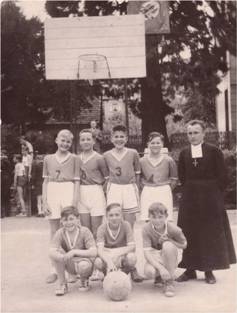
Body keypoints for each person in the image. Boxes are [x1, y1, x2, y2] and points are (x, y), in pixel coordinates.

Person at [176, 120, 236, 284]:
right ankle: (190, 270)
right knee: (189, 231)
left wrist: (213, 193)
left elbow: (223, 176)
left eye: (196, 132)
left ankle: (209, 270)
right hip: (190, 198)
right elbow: (182, 176)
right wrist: (191, 189)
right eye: (190, 133)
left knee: (209, 232)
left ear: (203, 133)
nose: (193, 136)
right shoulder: (184, 153)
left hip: (210, 198)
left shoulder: (214, 151)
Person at [42, 129, 80, 284]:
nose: (65, 143)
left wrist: (74, 202)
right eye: (62, 140)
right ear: (56, 140)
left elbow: (77, 181)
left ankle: (72, 269)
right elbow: (45, 181)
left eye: (68, 141)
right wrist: (44, 201)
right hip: (53, 190)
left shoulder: (75, 158)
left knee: (70, 229)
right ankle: (54, 269)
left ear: (71, 144)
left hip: (68, 189)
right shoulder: (48, 158)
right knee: (54, 231)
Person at [49, 206, 97, 296]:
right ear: (61, 221)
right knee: (56, 253)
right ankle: (63, 284)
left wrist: (74, 251)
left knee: (84, 265)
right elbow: (51, 251)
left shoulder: (84, 231)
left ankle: (84, 279)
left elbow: (94, 252)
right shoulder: (60, 232)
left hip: (84, 262)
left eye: (71, 219)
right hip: (70, 262)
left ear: (78, 219)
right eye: (65, 220)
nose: (68, 223)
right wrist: (61, 257)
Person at [142, 202, 187, 297]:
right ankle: (159, 276)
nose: (157, 220)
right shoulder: (146, 228)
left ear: (166, 216)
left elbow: (184, 245)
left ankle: (169, 281)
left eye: (160, 217)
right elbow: (147, 252)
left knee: (167, 245)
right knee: (149, 272)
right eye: (153, 217)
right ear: (148, 217)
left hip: (170, 254)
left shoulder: (174, 229)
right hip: (156, 255)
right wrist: (161, 268)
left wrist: (170, 240)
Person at [103, 125, 140, 229]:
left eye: (122, 137)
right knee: (113, 217)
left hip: (129, 187)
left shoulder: (133, 153)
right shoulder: (106, 155)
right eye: (116, 137)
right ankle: (115, 243)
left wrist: (136, 188)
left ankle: (130, 241)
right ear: (111, 139)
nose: (119, 139)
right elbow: (105, 175)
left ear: (126, 139)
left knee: (129, 220)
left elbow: (137, 173)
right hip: (114, 187)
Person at [94, 203, 139, 281]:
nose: (114, 218)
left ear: (121, 215)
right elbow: (100, 250)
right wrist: (109, 262)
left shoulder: (126, 225)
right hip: (108, 256)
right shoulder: (102, 228)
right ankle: (106, 274)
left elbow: (132, 246)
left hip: (121, 255)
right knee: (98, 262)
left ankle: (123, 274)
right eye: (111, 215)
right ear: (106, 217)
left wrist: (116, 253)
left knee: (132, 258)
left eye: (117, 215)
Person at [140, 132, 178, 221]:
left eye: (158, 143)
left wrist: (165, 187)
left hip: (164, 190)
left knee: (164, 218)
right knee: (149, 218)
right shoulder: (141, 161)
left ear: (162, 144)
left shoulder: (169, 160)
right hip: (148, 191)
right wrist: (146, 186)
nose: (155, 145)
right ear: (148, 144)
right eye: (152, 143)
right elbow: (139, 178)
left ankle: (164, 235)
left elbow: (174, 179)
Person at [78, 129, 108, 238]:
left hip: (96, 191)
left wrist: (102, 193)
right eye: (83, 140)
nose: (85, 142)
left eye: (88, 139)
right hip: (81, 192)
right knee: (85, 229)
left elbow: (107, 178)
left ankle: (98, 251)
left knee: (97, 229)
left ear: (93, 141)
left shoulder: (99, 158)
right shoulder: (76, 159)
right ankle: (89, 252)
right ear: (79, 142)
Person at [31, 153, 44, 217]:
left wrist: (32, 184)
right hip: (45, 183)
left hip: (38, 183)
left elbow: (33, 176)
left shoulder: (36, 165)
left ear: (37, 159)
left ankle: (40, 212)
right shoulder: (45, 165)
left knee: (39, 198)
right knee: (44, 198)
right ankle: (44, 211)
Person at [1, 150, 12, 218]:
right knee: (6, 197)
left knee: (2, 197)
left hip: (4, 181)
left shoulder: (3, 161)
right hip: (8, 181)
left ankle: (2, 214)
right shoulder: (8, 161)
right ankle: (7, 213)